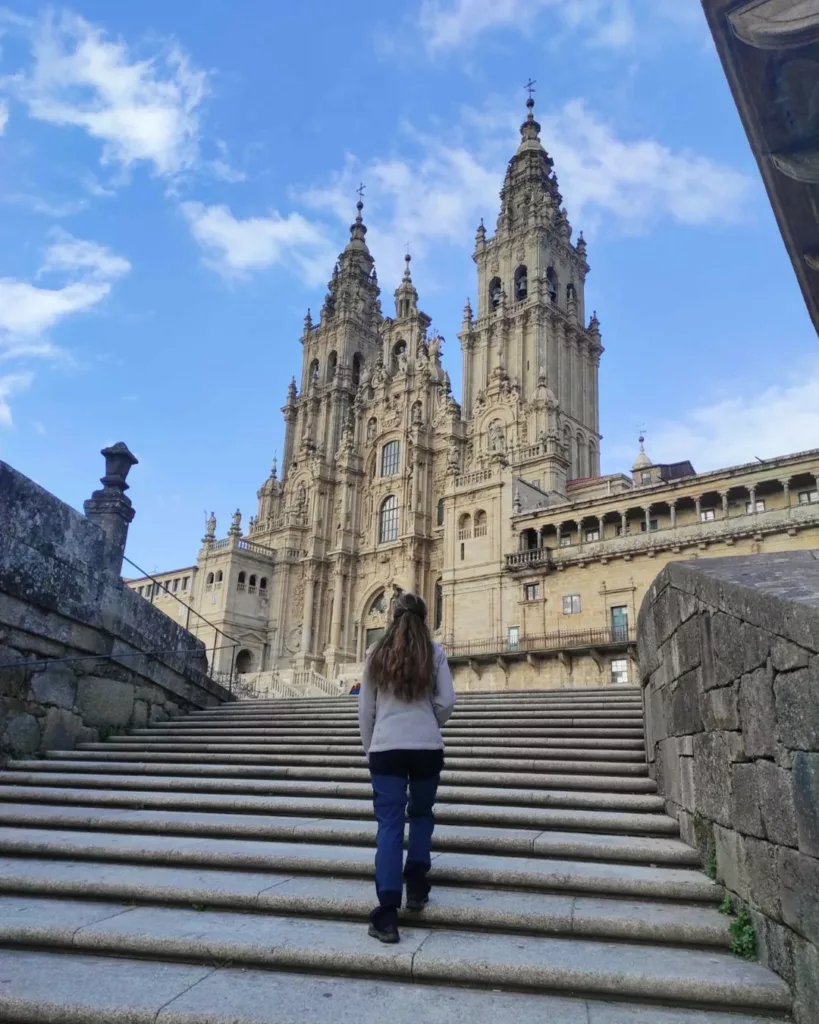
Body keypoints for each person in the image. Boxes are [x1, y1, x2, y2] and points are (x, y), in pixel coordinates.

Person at [357, 592, 456, 944]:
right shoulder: (436, 653)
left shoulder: (375, 654)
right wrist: (431, 723)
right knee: (423, 814)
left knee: (389, 825)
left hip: (387, 749)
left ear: (392, 618)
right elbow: (447, 701)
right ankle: (416, 884)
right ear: (424, 618)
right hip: (426, 747)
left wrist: (372, 748)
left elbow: (365, 710)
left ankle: (386, 913)